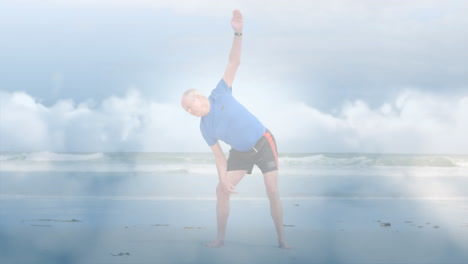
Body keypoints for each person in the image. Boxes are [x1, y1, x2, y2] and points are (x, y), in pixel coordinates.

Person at [181, 9, 290, 249]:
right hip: (240, 152)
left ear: (198, 97)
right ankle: (220, 239)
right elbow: (219, 156)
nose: (191, 112)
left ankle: (282, 239)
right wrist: (224, 180)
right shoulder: (205, 127)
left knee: (272, 190)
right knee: (220, 189)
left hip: (263, 142)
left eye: (190, 107)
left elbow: (234, 61)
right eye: (187, 111)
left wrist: (237, 32)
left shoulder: (220, 92)